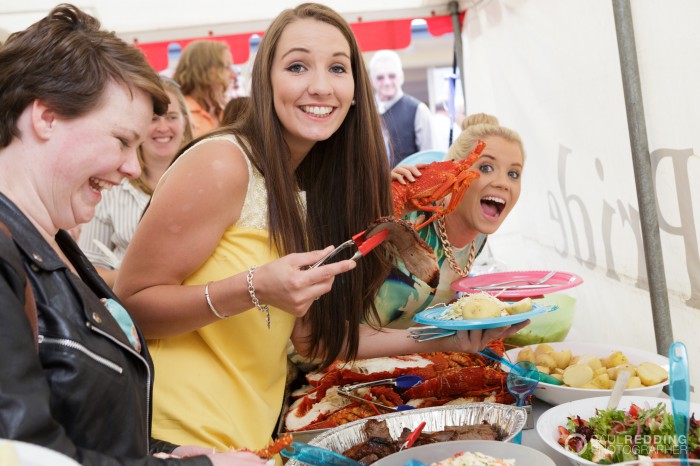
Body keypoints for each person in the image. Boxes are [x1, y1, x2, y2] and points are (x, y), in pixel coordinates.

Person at [114, 3, 526, 455]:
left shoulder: (314, 190)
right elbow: (130, 304)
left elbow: (311, 340)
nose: (321, 86)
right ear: (265, 80)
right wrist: (253, 288)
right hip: (175, 437)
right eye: (297, 66)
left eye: (337, 68)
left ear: (354, 90)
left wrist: (445, 337)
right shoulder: (222, 162)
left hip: (254, 439)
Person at [0, 4, 268, 465]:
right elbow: (26, 455)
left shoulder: (55, 243)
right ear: (45, 117)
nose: (131, 166)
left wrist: (161, 455)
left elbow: (79, 428)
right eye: (122, 141)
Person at [373, 113, 526, 328]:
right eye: (486, 168)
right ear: (455, 167)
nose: (503, 183)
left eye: (513, 174)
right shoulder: (408, 215)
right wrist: (377, 200)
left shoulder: (479, 234)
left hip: (414, 353)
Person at [78, 76, 194, 288]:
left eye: (171, 117)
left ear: (185, 121)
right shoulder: (110, 187)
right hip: (131, 315)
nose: (162, 127)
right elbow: (88, 269)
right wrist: (139, 275)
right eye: (153, 119)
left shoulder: (204, 182)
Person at [368, 49, 436, 167]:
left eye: (392, 76)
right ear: (372, 80)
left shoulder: (418, 110)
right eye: (380, 77)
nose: (387, 82)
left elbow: (429, 159)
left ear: (401, 77)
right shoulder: (365, 111)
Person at [173, 40, 236, 137]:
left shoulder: (222, 111)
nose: (233, 75)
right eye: (227, 67)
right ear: (205, 71)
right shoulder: (180, 111)